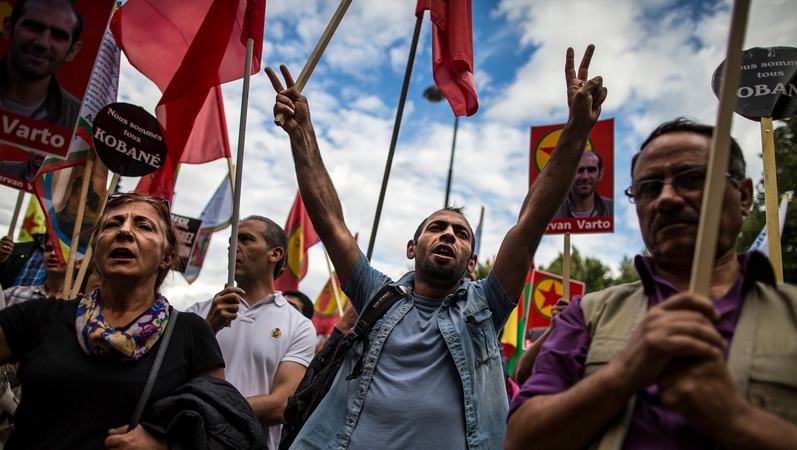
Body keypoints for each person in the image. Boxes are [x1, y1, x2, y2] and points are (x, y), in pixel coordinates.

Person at [266, 44, 607, 449]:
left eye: (461, 233)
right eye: (437, 228)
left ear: (471, 262)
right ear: (412, 248)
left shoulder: (486, 306)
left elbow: (532, 219)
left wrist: (576, 131)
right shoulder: (377, 295)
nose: (448, 235)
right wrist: (302, 134)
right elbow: (330, 222)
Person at [506, 118, 797, 450]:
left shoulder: (793, 314)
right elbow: (520, 439)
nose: (667, 199)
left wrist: (738, 420)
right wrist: (625, 372)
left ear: (744, 196)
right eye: (649, 188)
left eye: (692, 178)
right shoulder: (588, 314)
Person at [0, 192, 226, 448]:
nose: (124, 231)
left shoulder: (189, 333)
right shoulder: (40, 315)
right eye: (112, 224)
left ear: (167, 256)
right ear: (95, 248)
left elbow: (218, 431)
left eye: (143, 226)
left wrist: (164, 445)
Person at [186, 215, 316, 450]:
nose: (234, 247)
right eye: (232, 241)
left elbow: (281, 406)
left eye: (245, 239)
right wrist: (209, 328)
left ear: (275, 254)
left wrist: (208, 411)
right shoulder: (197, 313)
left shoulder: (299, 326)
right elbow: (173, 377)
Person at [0, 0, 82, 128]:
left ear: (72, 51)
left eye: (58, 36)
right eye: (34, 27)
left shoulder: (80, 121)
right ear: (8, 28)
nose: (43, 43)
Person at [4, 233, 69, 304]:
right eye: (48, 249)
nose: (52, 253)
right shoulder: (14, 294)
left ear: (77, 261)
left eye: (62, 250)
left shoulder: (77, 302)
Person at [554, 149, 613, 218]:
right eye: (579, 170)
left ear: (600, 175)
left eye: (591, 170)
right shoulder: (551, 212)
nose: (585, 177)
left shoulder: (613, 209)